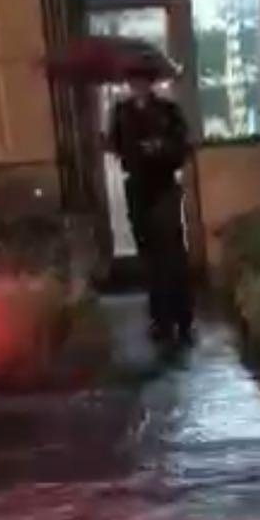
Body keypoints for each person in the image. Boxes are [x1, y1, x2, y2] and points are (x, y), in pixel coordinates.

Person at [108, 66, 194, 348]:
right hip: (138, 186)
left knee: (171, 252)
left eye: (142, 81)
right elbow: (117, 145)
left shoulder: (168, 111)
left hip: (164, 185)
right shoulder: (121, 112)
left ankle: (182, 317)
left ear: (150, 83)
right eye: (133, 82)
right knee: (150, 256)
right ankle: (160, 320)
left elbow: (182, 147)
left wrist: (161, 148)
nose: (137, 86)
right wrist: (120, 148)